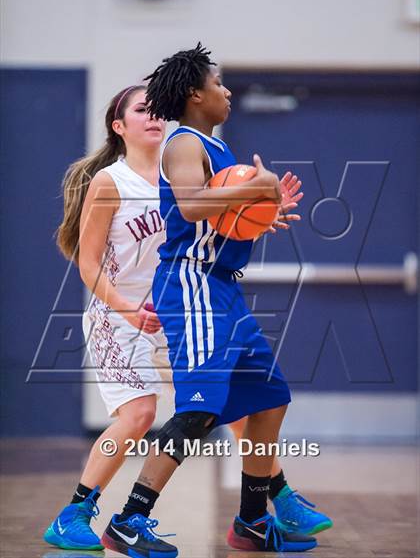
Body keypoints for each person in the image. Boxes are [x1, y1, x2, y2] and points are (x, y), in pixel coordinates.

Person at [100, 44, 320, 557]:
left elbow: (222, 222)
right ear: (196, 94)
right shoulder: (183, 143)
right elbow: (194, 205)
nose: (227, 92)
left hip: (221, 286)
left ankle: (250, 522)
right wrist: (255, 189)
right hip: (191, 285)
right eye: (219, 83)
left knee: (269, 398)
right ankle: (129, 521)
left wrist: (264, 207)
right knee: (200, 410)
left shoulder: (219, 152)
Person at [44, 85, 167, 551]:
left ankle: (268, 502)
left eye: (159, 110)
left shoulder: (182, 177)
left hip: (170, 315)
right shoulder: (110, 182)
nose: (153, 115)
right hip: (118, 316)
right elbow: (89, 263)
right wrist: (127, 309)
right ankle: (74, 512)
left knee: (223, 398)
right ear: (120, 127)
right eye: (142, 109)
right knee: (139, 414)